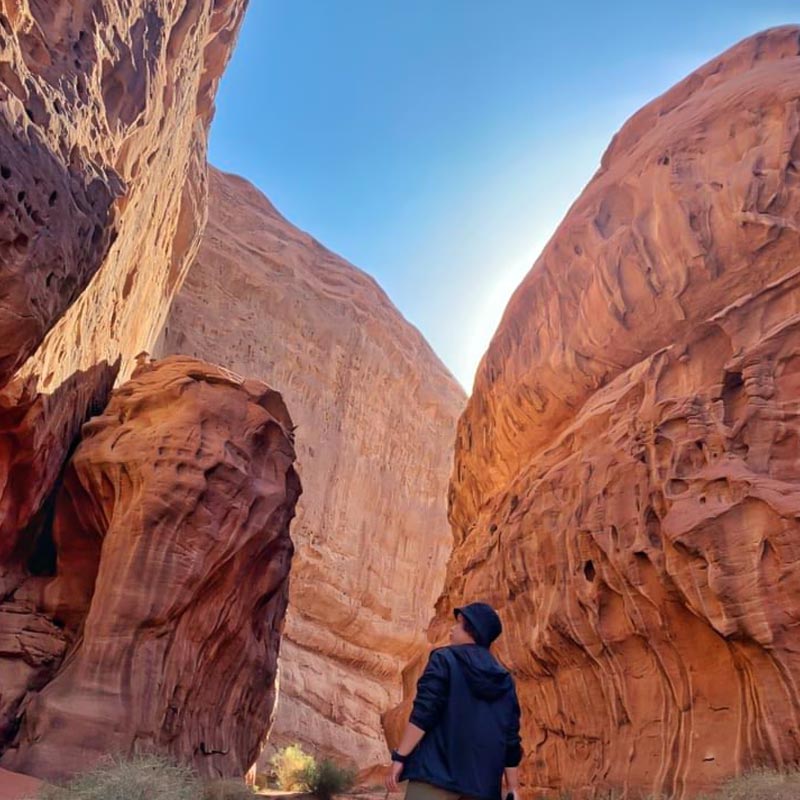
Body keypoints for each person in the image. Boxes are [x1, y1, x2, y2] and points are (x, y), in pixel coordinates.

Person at [385, 602, 523, 800]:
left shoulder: (444, 659)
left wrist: (400, 757)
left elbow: (424, 713)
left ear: (473, 631)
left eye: (458, 624)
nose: (452, 628)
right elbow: (510, 739)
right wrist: (512, 787)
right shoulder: (504, 680)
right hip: (482, 788)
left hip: (435, 777)